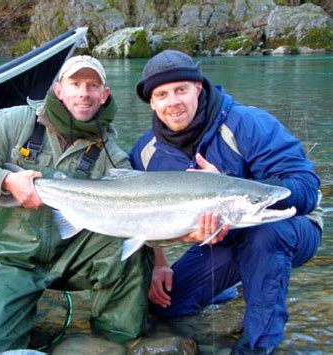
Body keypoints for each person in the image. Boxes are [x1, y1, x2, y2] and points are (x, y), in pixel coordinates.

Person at [0, 55, 152, 354]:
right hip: (10, 256)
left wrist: (168, 252)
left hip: (72, 256)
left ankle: (112, 340)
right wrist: (5, 180)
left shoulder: (114, 157)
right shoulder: (15, 122)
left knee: (133, 248)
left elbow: (142, 219)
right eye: (75, 84)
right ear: (58, 89)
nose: (84, 93)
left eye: (92, 85)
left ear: (104, 94)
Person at [130, 50, 323, 354]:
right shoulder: (144, 153)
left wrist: (226, 184)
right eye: (162, 94)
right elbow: (142, 218)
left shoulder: (248, 123)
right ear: (152, 103)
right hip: (217, 241)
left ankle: (259, 344)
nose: (173, 102)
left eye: (181, 89)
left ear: (198, 87)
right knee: (167, 307)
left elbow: (306, 189)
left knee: (265, 235)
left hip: (290, 229)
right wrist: (159, 263)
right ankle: (228, 288)